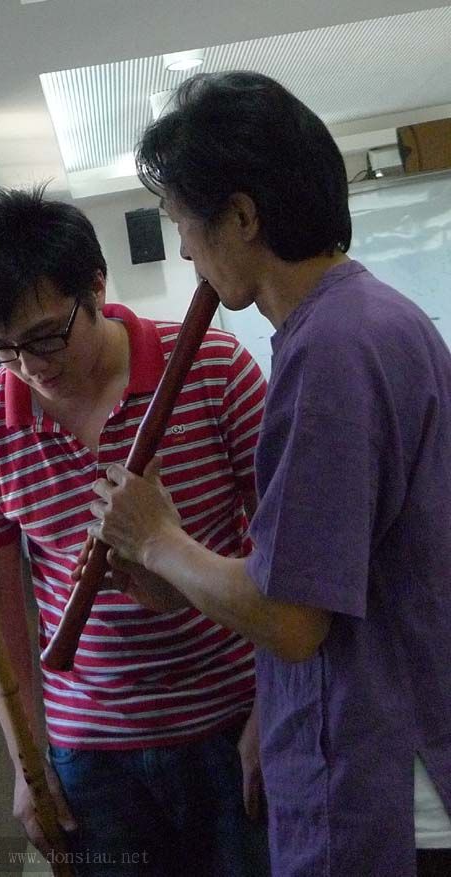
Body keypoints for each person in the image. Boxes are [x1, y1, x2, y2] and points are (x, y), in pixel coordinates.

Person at [86, 73, 451, 877]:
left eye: (182, 222)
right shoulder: (373, 320)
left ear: (243, 217)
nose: (185, 250)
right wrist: (179, 581)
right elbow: (329, 580)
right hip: (386, 751)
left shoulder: (332, 348)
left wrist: (158, 537)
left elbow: (292, 621)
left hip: (382, 784)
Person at [0, 188, 271, 876]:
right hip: (90, 751)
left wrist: (276, 709)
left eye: (46, 336)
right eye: (2, 347)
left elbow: (293, 556)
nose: (31, 366)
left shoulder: (215, 369)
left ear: (96, 286)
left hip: (233, 717)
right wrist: (27, 759)